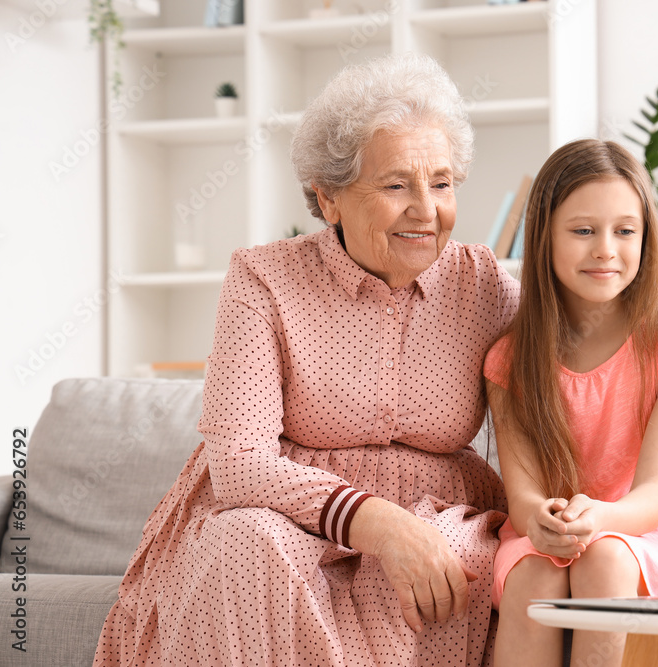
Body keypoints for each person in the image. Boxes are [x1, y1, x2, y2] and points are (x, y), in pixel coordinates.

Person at [94, 53, 519, 666]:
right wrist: (378, 523)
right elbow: (239, 463)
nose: (426, 209)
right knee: (245, 544)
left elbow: (568, 384)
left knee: (457, 557)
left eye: (442, 183)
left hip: (439, 518)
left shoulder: (485, 285)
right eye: (396, 184)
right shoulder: (264, 278)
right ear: (328, 198)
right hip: (283, 513)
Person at [484, 139, 658, 667]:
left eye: (625, 231)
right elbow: (523, 496)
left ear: (646, 238)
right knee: (536, 572)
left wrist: (602, 518)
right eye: (583, 230)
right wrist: (541, 519)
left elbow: (656, 494)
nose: (606, 249)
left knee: (606, 557)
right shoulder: (510, 360)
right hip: (545, 536)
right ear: (544, 237)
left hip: (642, 532)